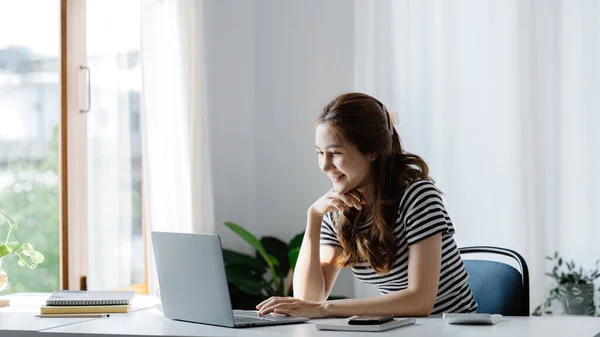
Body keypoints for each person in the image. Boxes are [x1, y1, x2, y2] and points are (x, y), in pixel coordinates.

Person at [256, 92, 477, 318]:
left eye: (335, 153)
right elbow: (308, 301)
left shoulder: (417, 195)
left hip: (448, 328)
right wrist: (314, 217)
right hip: (401, 330)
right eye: (320, 153)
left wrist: (325, 309)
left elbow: (420, 301)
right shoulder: (336, 209)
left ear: (372, 151)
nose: (324, 165)